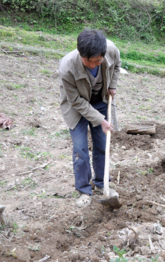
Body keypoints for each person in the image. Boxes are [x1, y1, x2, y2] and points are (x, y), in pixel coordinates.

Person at [58, 29, 121, 208]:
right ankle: (84, 190)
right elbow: (76, 101)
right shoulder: (66, 68)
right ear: (79, 53)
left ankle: (102, 184)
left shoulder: (111, 50)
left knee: (102, 145)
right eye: (88, 61)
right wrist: (100, 120)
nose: (93, 65)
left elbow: (117, 65)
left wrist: (113, 85)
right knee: (80, 150)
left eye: (98, 61)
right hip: (76, 106)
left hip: (99, 99)